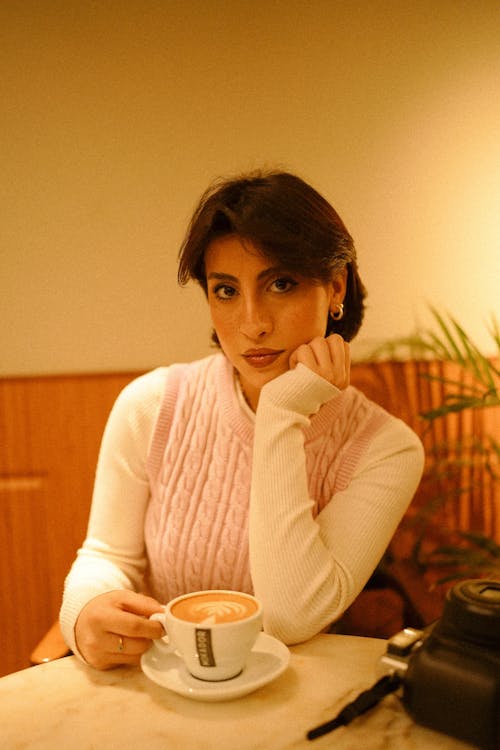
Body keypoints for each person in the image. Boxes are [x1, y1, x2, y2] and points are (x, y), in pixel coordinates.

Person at [60, 170, 424, 670]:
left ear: (335, 287)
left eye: (280, 283)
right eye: (226, 291)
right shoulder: (151, 406)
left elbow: (291, 616)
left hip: (295, 704)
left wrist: (280, 413)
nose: (252, 323)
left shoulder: (385, 448)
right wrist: (83, 613)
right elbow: (108, 556)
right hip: (165, 689)